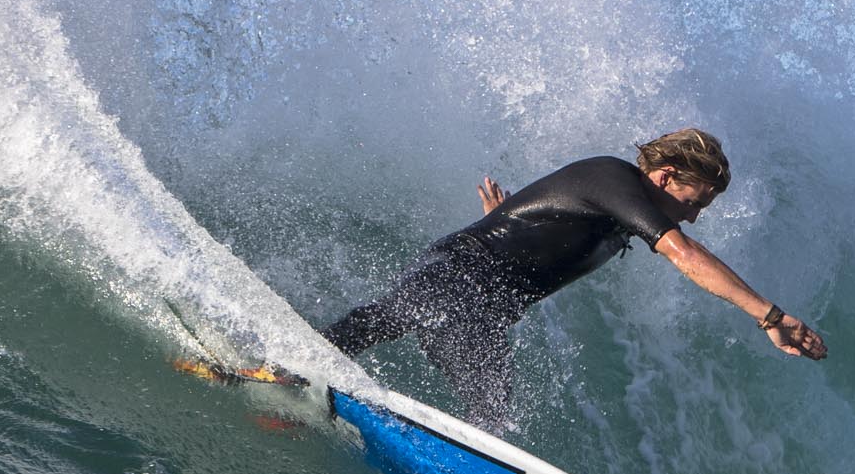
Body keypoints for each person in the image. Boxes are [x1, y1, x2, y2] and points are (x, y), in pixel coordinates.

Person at [321, 127, 827, 429]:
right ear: (667, 176)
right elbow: (685, 254)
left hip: (486, 307)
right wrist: (770, 315)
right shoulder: (615, 179)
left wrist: (507, 217)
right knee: (389, 319)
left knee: (492, 413)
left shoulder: (619, 216)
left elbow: (554, 222)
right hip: (459, 274)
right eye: (692, 203)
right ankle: (295, 361)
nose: (691, 217)